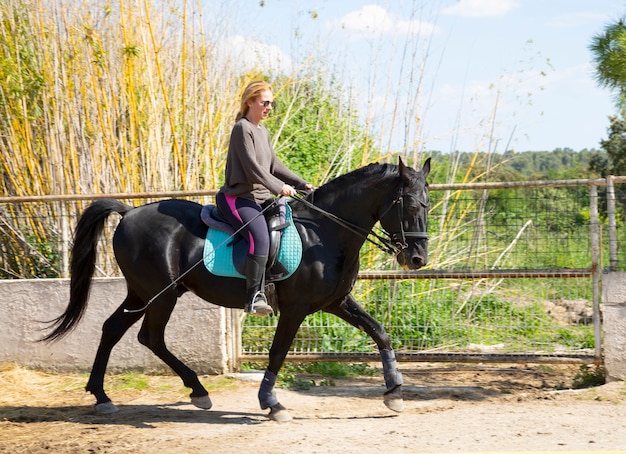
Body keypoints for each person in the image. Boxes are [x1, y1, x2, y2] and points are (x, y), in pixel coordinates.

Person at [216, 81, 314, 316]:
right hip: (238, 199)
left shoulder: (262, 131)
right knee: (260, 237)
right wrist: (279, 187)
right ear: (250, 102)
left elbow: (273, 165)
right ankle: (253, 298)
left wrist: (302, 184)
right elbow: (252, 169)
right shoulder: (243, 128)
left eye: (271, 103)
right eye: (265, 102)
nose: (269, 107)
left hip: (260, 200)